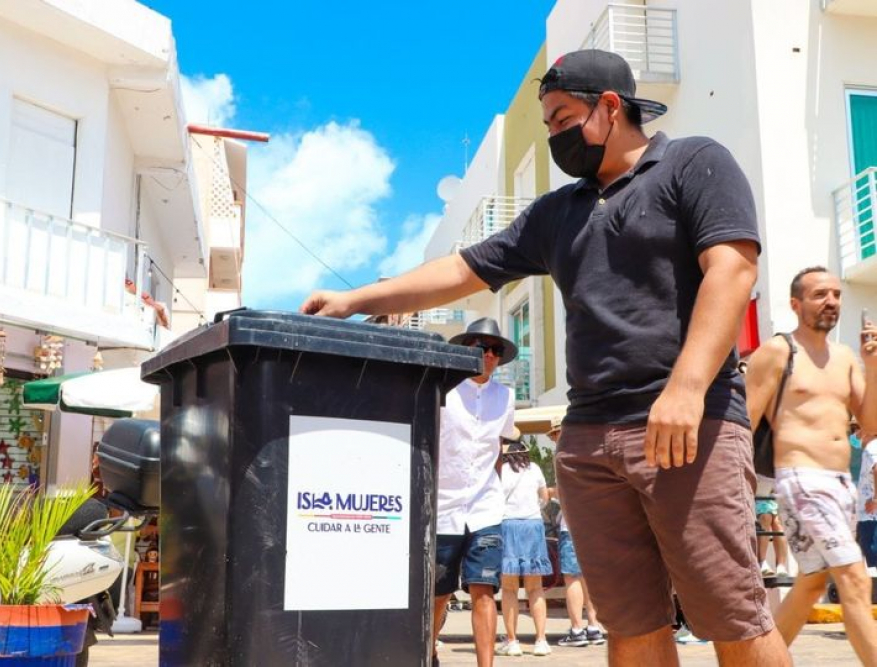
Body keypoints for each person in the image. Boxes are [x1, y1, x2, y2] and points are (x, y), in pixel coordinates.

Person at [301, 48, 789, 666]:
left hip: (687, 426)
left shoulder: (695, 162)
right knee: (631, 625)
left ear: (610, 107)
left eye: (562, 119)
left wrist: (687, 388)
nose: (555, 136)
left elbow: (733, 267)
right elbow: (460, 269)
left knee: (731, 614)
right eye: (548, 124)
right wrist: (352, 299)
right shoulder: (557, 213)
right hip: (588, 441)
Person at [744, 267, 877, 664]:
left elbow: (870, 427)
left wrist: (872, 365)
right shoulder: (777, 352)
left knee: (811, 584)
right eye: (820, 294)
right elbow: (744, 422)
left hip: (840, 485)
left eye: (836, 294)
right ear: (796, 304)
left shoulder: (846, 359)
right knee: (853, 578)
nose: (831, 301)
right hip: (800, 480)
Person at [432, 318, 517, 666]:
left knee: (484, 590)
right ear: (467, 349)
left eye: (496, 350)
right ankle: (427, 652)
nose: (490, 355)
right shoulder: (444, 390)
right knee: (439, 593)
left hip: (485, 507)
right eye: (483, 347)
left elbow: (499, 447)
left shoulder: (506, 397)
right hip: (443, 506)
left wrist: (494, 488)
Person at [546, 424, 604, 650]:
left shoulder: (562, 457)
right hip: (594, 525)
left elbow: (562, 491)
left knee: (572, 578)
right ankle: (594, 625)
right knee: (590, 578)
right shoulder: (591, 454)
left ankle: (577, 628)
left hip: (571, 525)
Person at [495, 426, 552, 657]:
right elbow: (545, 498)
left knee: (509, 590)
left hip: (508, 526)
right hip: (533, 526)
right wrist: (532, 510)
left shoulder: (501, 471)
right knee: (535, 588)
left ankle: (513, 641)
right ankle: (540, 640)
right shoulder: (535, 468)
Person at [755, 476, 789, 578]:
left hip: (769, 498)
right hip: (756, 499)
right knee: (765, 518)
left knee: (778, 523)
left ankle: (781, 565)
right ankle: (762, 561)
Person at [857, 430, 877, 570]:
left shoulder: (872, 447)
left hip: (871, 516)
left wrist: (875, 499)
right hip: (870, 516)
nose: (857, 434)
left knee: (873, 557)